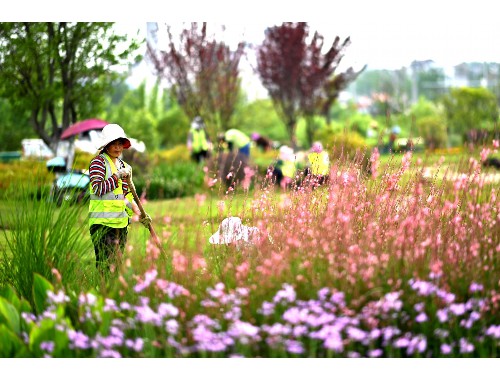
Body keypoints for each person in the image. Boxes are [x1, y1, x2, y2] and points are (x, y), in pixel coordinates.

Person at [88, 123, 152, 274]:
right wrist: (116, 177)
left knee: (116, 265)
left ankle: (113, 294)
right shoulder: (98, 163)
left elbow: (126, 196)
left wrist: (140, 214)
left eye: (120, 144)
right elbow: (98, 189)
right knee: (106, 264)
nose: (117, 148)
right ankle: (104, 293)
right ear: (106, 145)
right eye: (113, 144)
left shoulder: (124, 166)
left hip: (121, 224)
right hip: (102, 224)